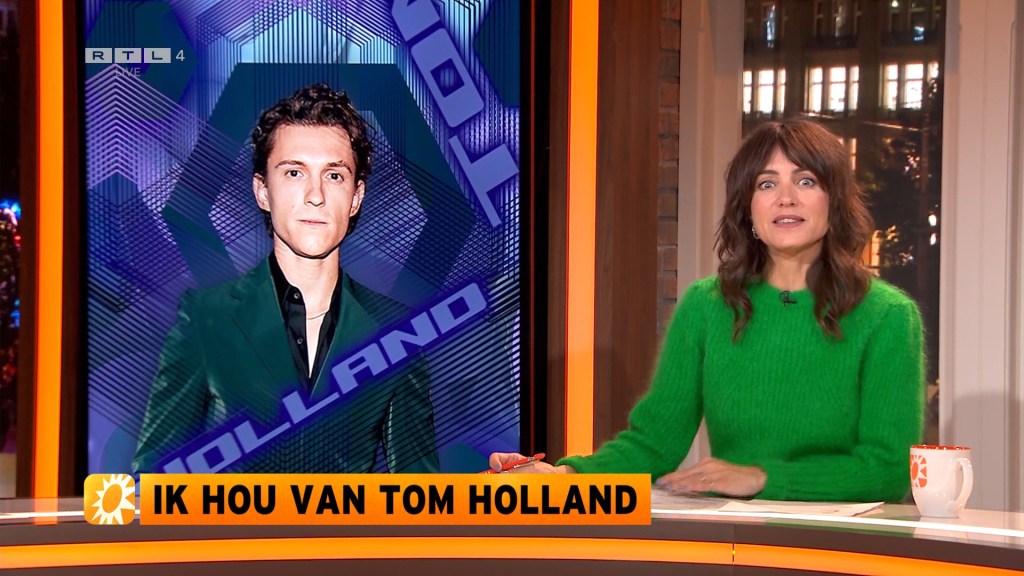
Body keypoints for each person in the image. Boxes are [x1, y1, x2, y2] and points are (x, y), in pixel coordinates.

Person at [491, 119, 924, 502]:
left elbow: (886, 470)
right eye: (767, 184)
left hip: (845, 542)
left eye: (806, 181)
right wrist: (562, 476)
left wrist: (762, 478)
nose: (786, 198)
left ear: (835, 201)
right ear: (747, 208)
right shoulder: (708, 306)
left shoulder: (887, 316)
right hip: (735, 540)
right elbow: (655, 444)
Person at [133, 83, 439, 474]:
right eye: (294, 173)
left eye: (334, 176)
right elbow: (149, 485)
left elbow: (422, 494)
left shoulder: (397, 332)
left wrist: (497, 488)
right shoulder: (204, 319)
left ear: (356, 197)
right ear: (263, 191)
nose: (315, 195)